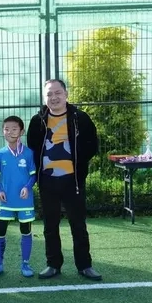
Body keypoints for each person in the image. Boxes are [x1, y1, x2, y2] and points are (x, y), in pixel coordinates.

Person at [26, 79, 102, 280]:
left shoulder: (80, 118)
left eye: (57, 93)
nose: (54, 97)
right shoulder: (37, 121)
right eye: (49, 94)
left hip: (73, 181)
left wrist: (78, 163)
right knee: (50, 226)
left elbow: (92, 144)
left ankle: (84, 265)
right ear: (44, 98)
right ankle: (53, 264)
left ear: (66, 94)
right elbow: (33, 147)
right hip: (47, 181)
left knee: (78, 225)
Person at [0, 115, 37, 277]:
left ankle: (26, 265)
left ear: (21, 131)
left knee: (26, 231)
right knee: (0, 231)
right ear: (3, 131)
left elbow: (33, 175)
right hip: (6, 200)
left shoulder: (29, 153)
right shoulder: (0, 153)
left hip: (24, 201)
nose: (10, 132)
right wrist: (0, 190)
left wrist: (27, 187)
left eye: (14, 129)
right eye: (6, 129)